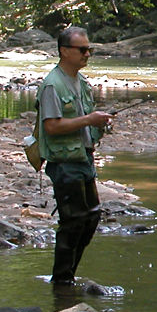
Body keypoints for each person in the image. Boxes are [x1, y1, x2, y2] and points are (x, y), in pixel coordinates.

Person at [35, 26, 115, 287]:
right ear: (64, 51)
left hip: (84, 158)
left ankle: (67, 276)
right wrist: (89, 119)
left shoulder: (81, 83)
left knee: (91, 216)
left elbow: (84, 121)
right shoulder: (52, 85)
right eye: (82, 50)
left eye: (89, 49)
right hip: (64, 163)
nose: (87, 54)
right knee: (72, 222)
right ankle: (61, 280)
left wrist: (98, 124)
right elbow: (52, 126)